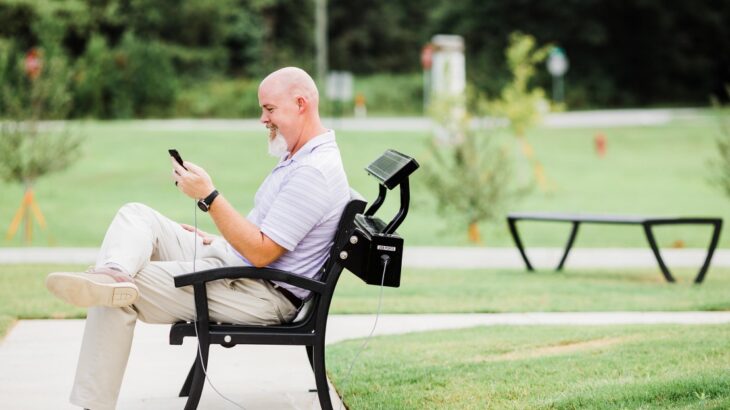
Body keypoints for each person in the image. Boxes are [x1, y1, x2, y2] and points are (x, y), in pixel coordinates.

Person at [45, 67, 350, 410]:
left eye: (269, 109)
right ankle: (114, 270)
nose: (263, 119)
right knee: (137, 216)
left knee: (124, 290)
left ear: (300, 104)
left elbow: (263, 252)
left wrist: (209, 198)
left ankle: (92, 401)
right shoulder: (301, 157)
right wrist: (217, 236)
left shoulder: (312, 172)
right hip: (239, 265)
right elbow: (260, 236)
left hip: (261, 290)